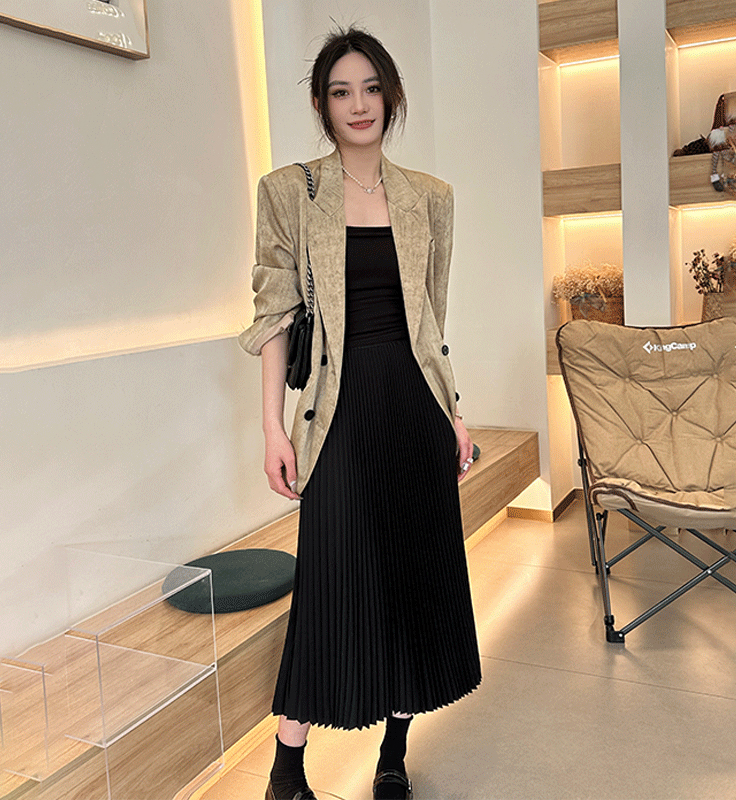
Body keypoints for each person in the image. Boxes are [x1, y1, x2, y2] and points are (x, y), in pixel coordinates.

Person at [238, 26, 481, 800]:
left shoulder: (430, 199)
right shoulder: (290, 192)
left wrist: (454, 414)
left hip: (415, 408)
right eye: (341, 91)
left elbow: (432, 324)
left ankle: (392, 756)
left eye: (371, 87)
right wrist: (272, 427)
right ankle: (286, 771)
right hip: (337, 414)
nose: (359, 104)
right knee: (331, 586)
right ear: (321, 104)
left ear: (391, 95)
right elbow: (275, 316)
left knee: (413, 582)